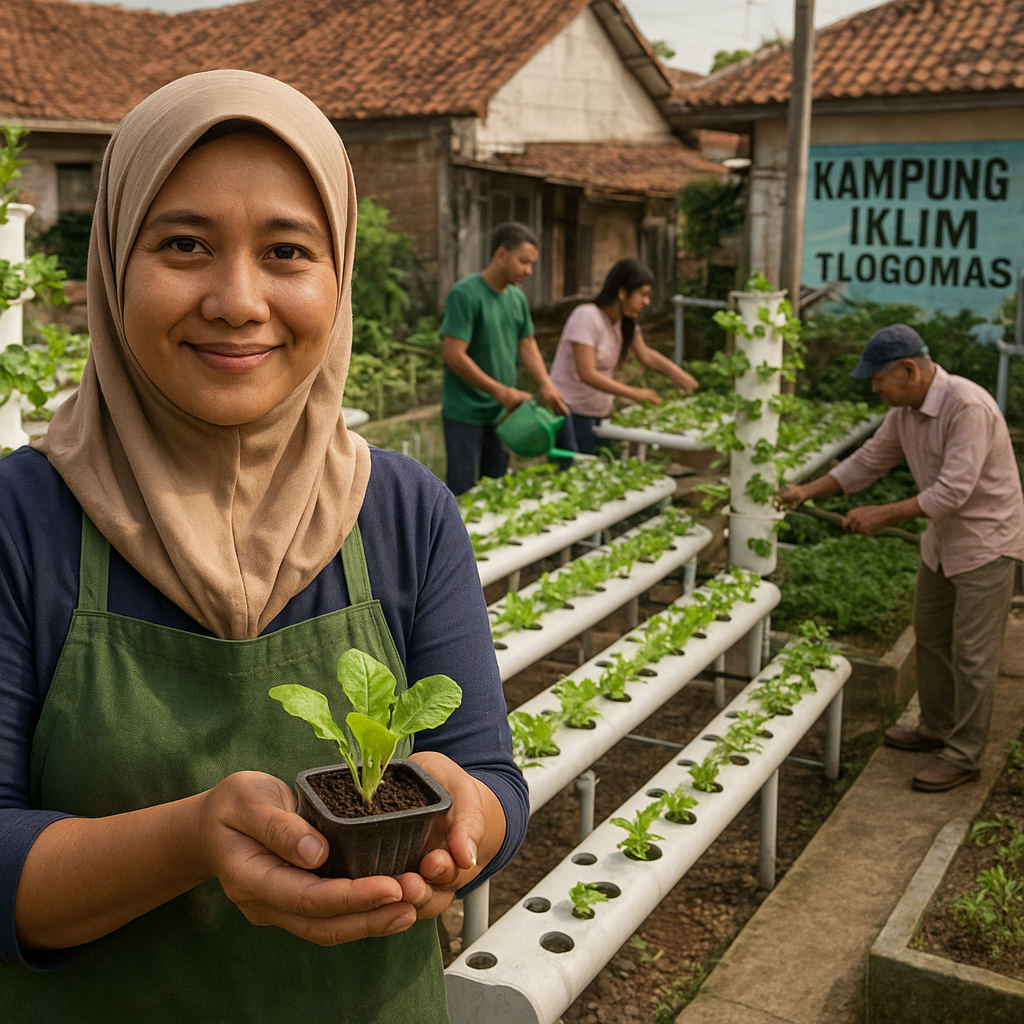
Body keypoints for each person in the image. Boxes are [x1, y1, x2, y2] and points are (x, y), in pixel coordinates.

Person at [0, 71, 527, 1022]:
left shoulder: (407, 513)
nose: (238, 301)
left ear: (339, 274)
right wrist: (195, 839)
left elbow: (488, 775)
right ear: (116, 259)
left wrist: (467, 822)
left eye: (287, 250)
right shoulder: (19, 521)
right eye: (185, 245)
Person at [779, 324, 1024, 793]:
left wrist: (882, 515)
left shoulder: (966, 406)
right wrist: (805, 490)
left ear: (910, 370)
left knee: (973, 654)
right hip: (943, 543)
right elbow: (868, 460)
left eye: (878, 380)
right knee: (931, 637)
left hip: (986, 544)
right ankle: (936, 725)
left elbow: (955, 489)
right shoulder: (907, 412)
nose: (874, 389)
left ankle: (965, 754)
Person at [440, 222, 566, 494]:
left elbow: (527, 343)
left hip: (502, 414)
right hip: (466, 413)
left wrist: (545, 383)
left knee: (497, 489)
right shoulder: (465, 294)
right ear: (500, 255)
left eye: (531, 264)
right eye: (523, 262)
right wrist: (501, 391)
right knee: (465, 495)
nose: (528, 271)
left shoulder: (517, 299)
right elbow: (453, 354)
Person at [549, 258, 698, 455]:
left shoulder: (625, 324)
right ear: (622, 293)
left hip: (599, 413)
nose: (646, 302)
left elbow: (646, 356)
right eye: (642, 295)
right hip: (570, 413)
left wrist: (679, 376)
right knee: (577, 474)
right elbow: (587, 373)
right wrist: (635, 393)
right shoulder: (586, 316)